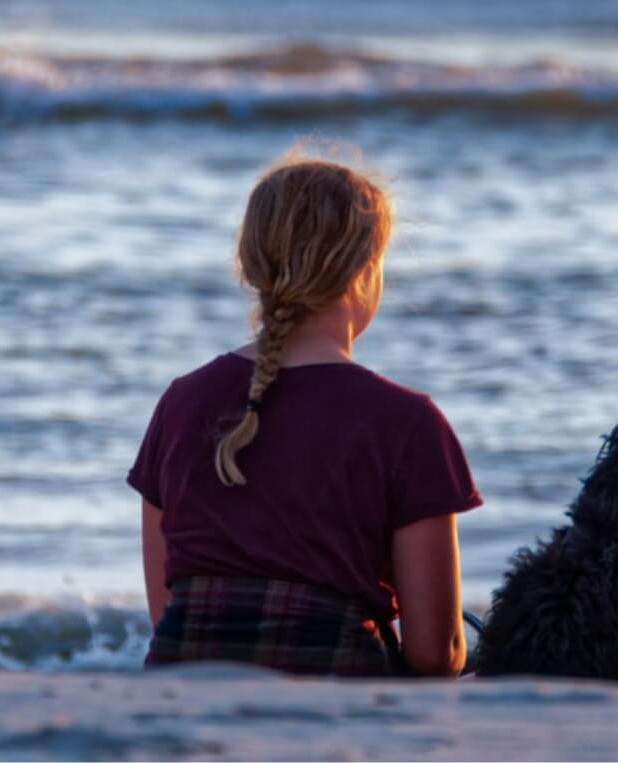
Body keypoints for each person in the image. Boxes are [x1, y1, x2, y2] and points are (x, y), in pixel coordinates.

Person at [127, 148, 481, 677]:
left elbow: (168, 613)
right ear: (364, 273)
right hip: (338, 697)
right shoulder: (408, 423)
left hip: (184, 689)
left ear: (251, 265)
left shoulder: (180, 402)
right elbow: (434, 654)